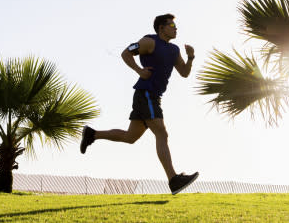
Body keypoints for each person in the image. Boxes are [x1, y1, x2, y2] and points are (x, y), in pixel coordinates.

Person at [80, 14, 199, 195]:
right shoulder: (148, 42)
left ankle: (92, 134)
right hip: (145, 94)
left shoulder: (174, 50)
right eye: (172, 24)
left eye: (176, 25)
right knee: (161, 132)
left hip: (154, 97)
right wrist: (138, 70)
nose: (176, 28)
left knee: (130, 137)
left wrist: (190, 58)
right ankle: (173, 179)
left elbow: (183, 73)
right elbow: (126, 52)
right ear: (161, 28)